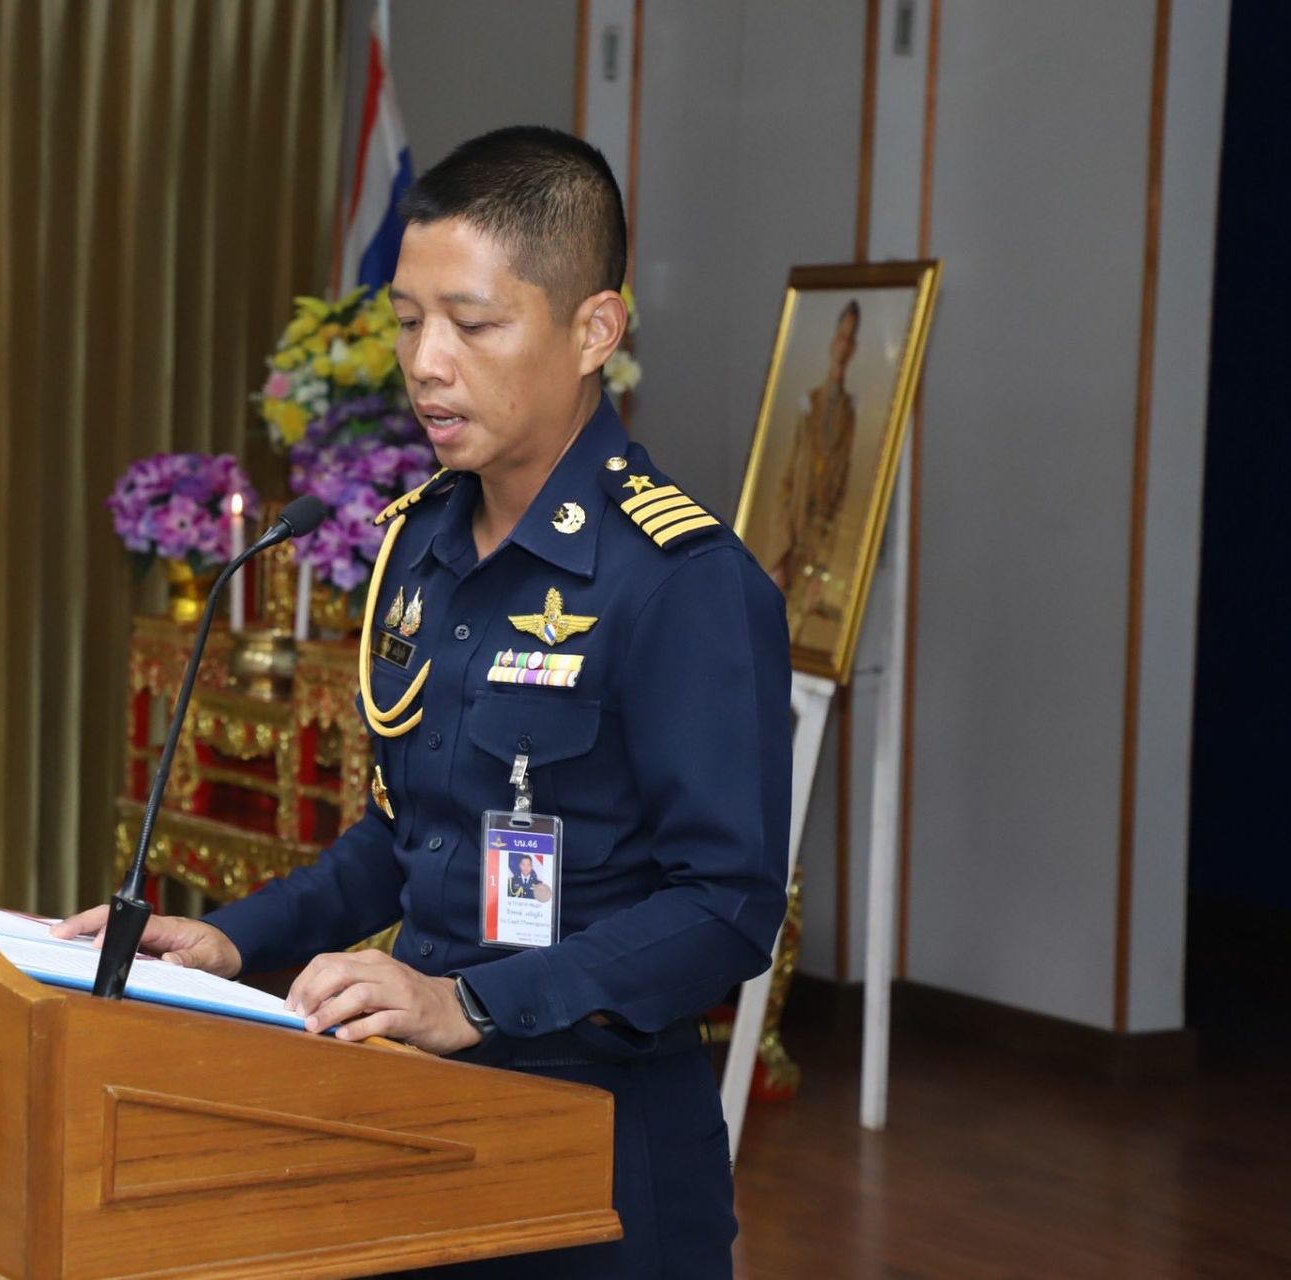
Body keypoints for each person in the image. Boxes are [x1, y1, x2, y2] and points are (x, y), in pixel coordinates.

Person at [56, 125, 790, 1277]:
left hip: (595, 1155)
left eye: (472, 323)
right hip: (410, 1123)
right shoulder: (422, 544)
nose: (426, 363)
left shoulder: (679, 581)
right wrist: (233, 937)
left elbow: (725, 908)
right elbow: (409, 837)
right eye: (407, 321)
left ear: (594, 331)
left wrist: (472, 1003)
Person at [768, 299, 861, 631]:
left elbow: (841, 492)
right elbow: (786, 481)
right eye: (841, 337)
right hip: (790, 546)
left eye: (850, 339)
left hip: (818, 552)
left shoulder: (850, 415)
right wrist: (779, 556)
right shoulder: (809, 404)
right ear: (832, 341)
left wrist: (823, 568)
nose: (843, 347)